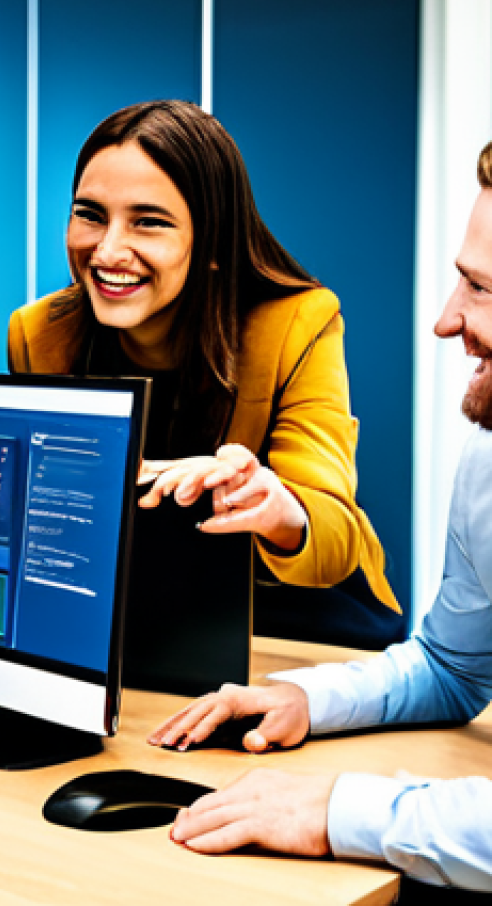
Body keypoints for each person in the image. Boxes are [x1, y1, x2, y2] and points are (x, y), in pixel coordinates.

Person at [151, 140, 492, 892]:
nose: (446, 320)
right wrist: (307, 698)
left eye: (480, 288)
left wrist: (343, 812)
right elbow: (454, 669)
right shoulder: (488, 462)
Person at [7, 101, 399, 622]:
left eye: (149, 222)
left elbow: (334, 531)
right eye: (90, 215)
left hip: (287, 605)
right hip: (151, 614)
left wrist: (273, 505)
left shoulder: (298, 323)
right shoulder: (38, 334)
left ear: (214, 241)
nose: (107, 251)